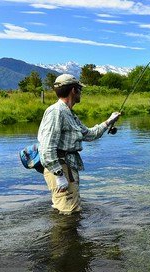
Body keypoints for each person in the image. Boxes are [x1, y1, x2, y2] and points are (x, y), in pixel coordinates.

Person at [38, 74, 120, 215]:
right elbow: (47, 148)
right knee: (69, 213)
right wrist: (59, 175)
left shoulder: (69, 113)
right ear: (73, 91)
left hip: (67, 167)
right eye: (80, 89)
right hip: (61, 168)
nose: (81, 92)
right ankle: (65, 237)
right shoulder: (56, 112)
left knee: (65, 210)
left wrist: (109, 122)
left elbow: (89, 134)